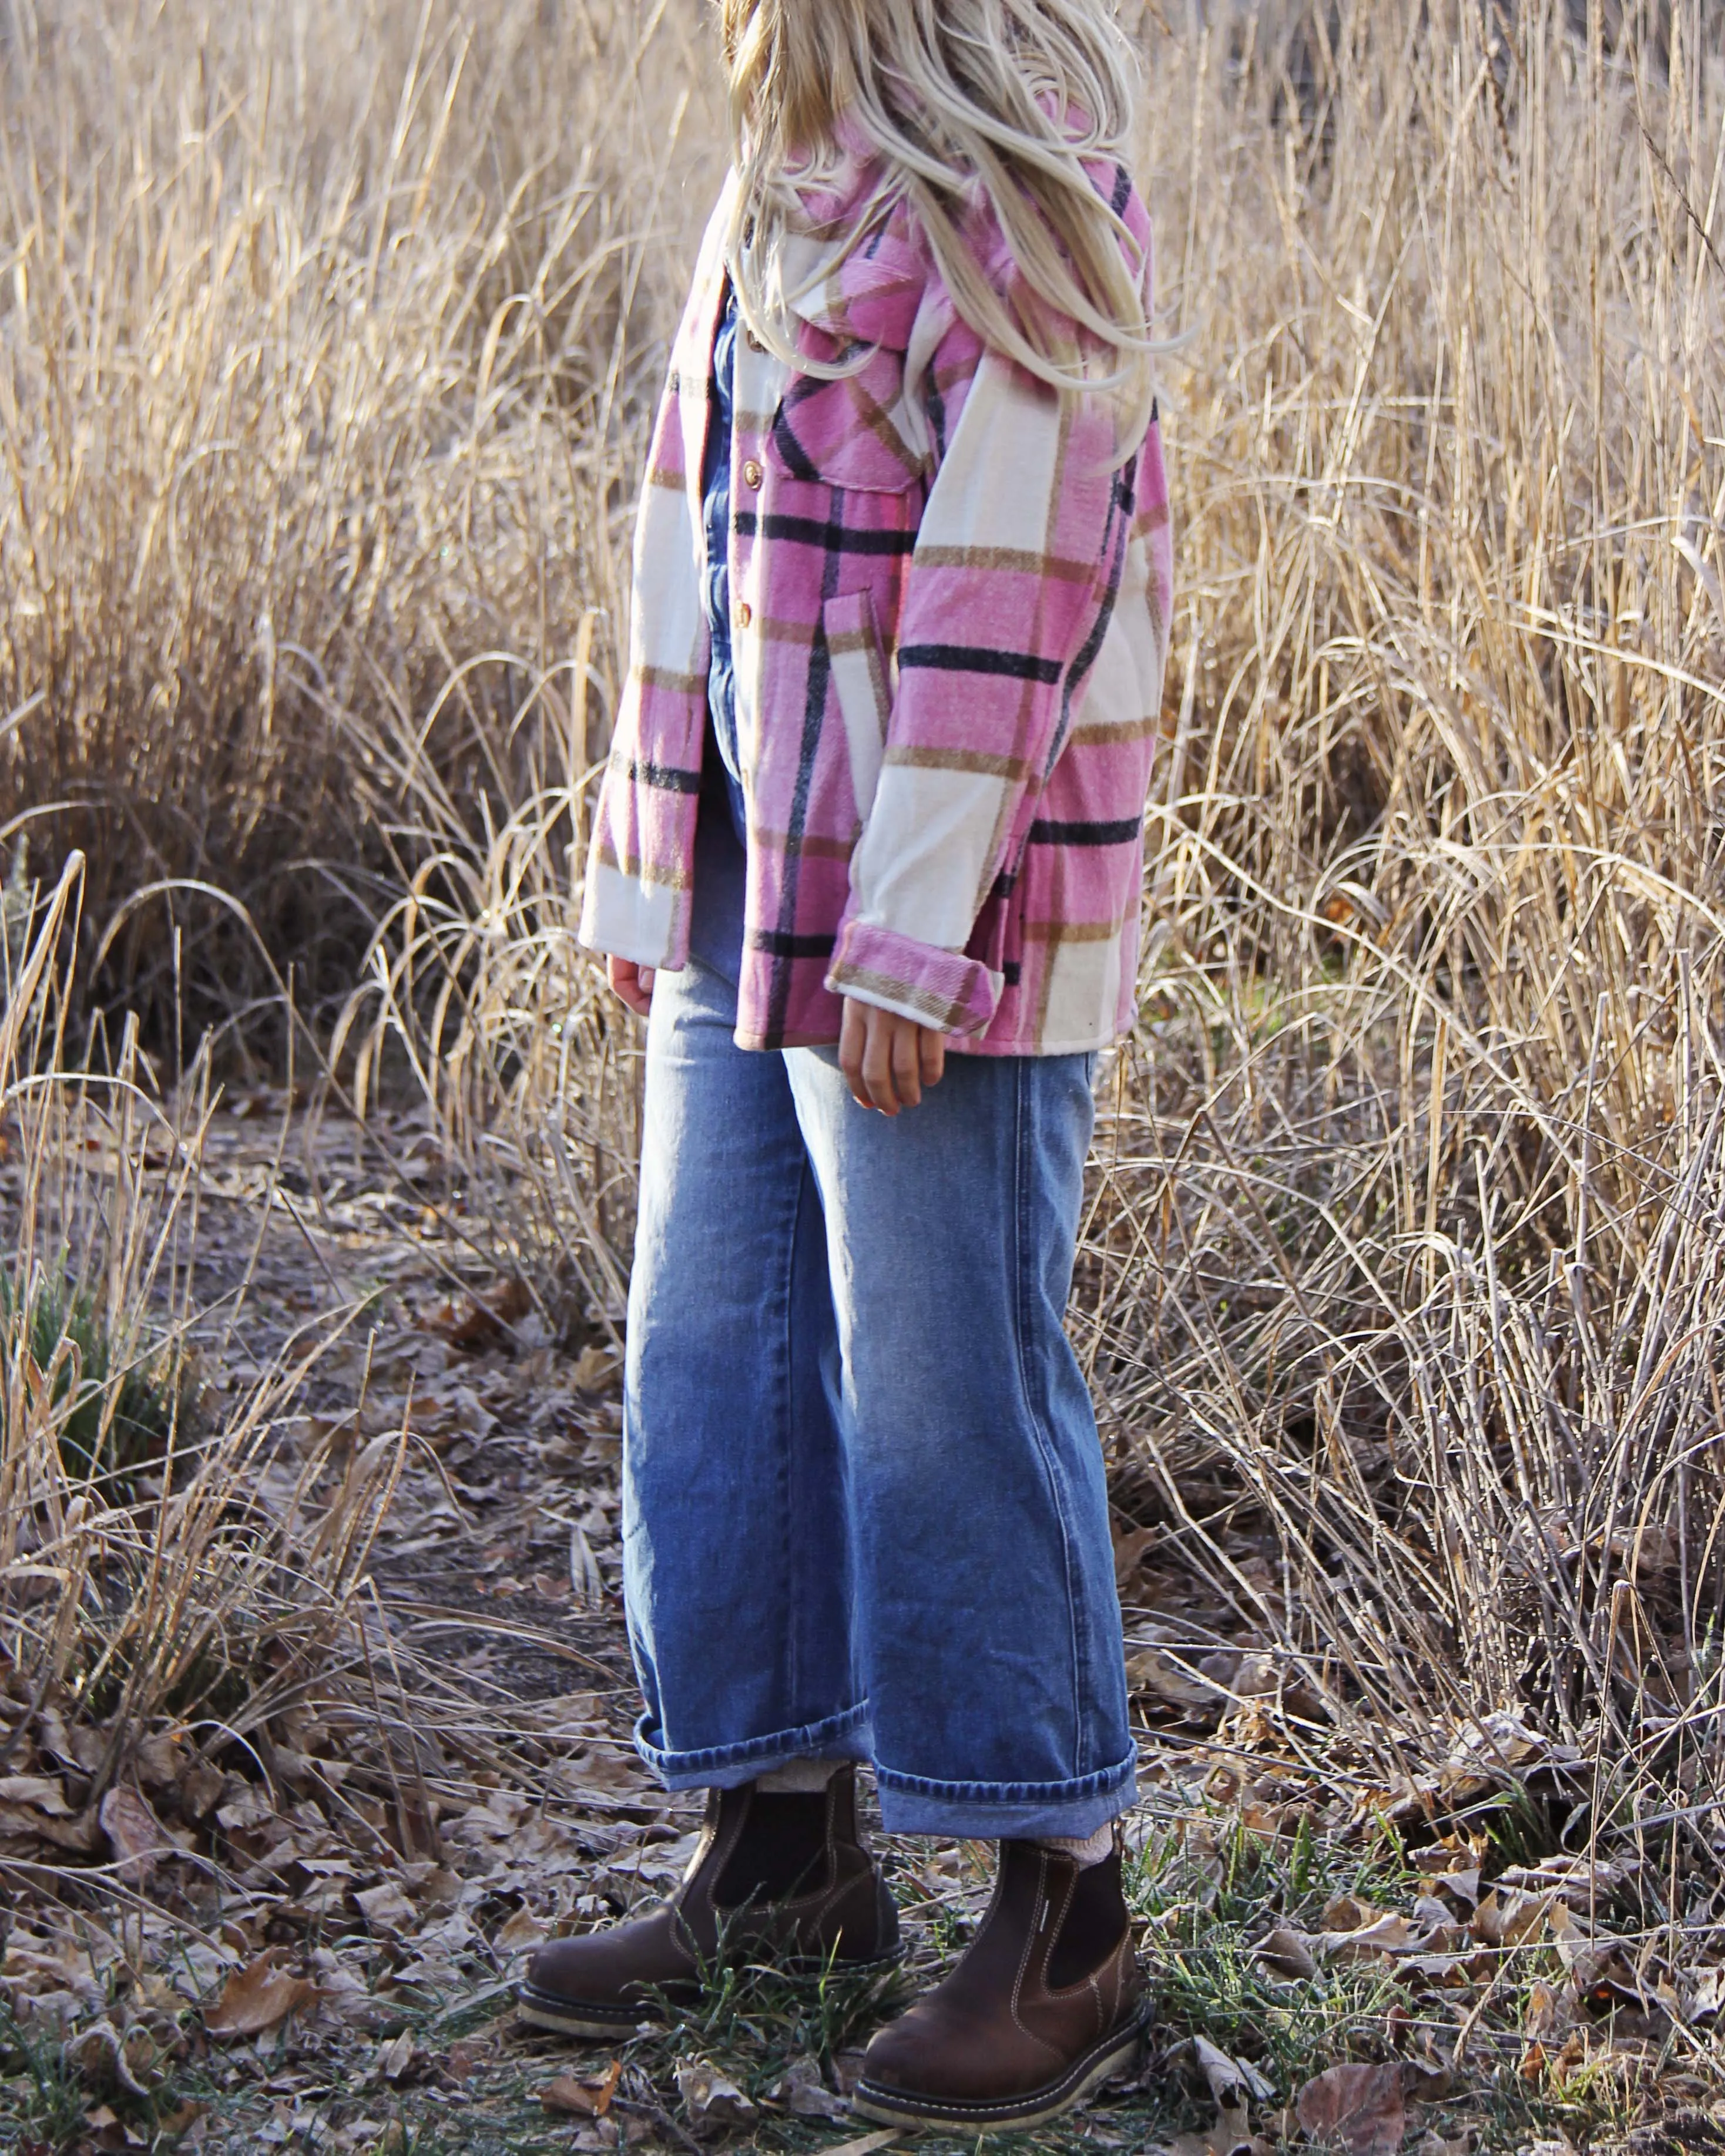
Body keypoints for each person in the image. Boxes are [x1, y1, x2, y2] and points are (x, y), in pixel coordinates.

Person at [519, 0, 1173, 2128]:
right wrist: (649, 858)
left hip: (936, 903)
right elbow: (686, 511)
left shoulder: (1019, 141)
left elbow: (1022, 554)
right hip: (750, 870)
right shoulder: (790, 137)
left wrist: (916, 919)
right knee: (714, 1337)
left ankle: (1065, 1903)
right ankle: (785, 1843)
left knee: (936, 1375)